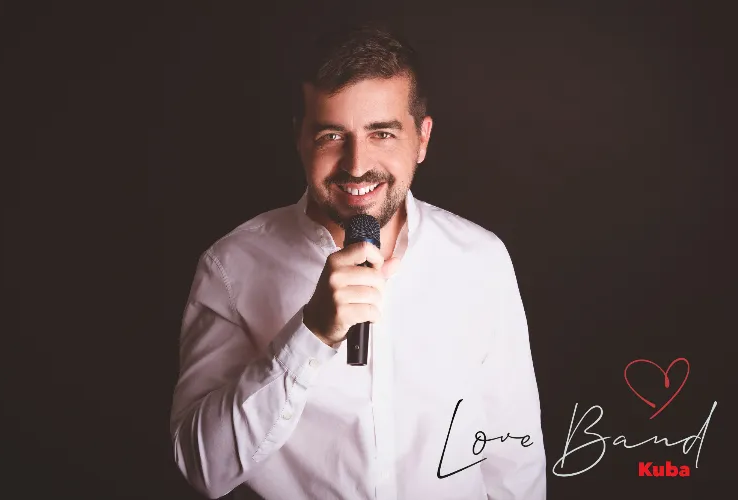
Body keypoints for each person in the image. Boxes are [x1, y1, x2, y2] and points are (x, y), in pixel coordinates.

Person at [169, 23, 546, 500]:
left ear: (422, 138)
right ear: (300, 138)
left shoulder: (480, 260)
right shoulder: (230, 267)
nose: (356, 164)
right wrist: (309, 335)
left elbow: (513, 458)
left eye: (382, 133)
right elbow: (203, 468)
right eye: (332, 135)